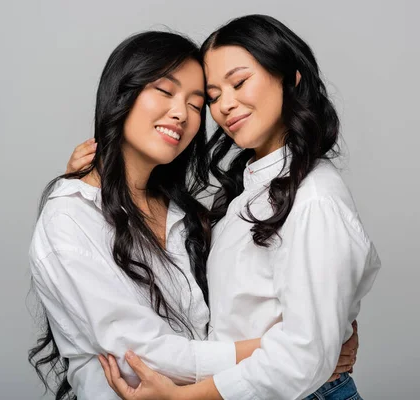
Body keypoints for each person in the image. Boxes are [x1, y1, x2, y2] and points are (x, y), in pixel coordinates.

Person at [90, 15, 380, 400]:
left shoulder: (315, 199)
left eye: (239, 82)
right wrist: (96, 170)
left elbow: (304, 357)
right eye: (212, 96)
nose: (225, 105)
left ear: (290, 78)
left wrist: (183, 398)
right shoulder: (249, 189)